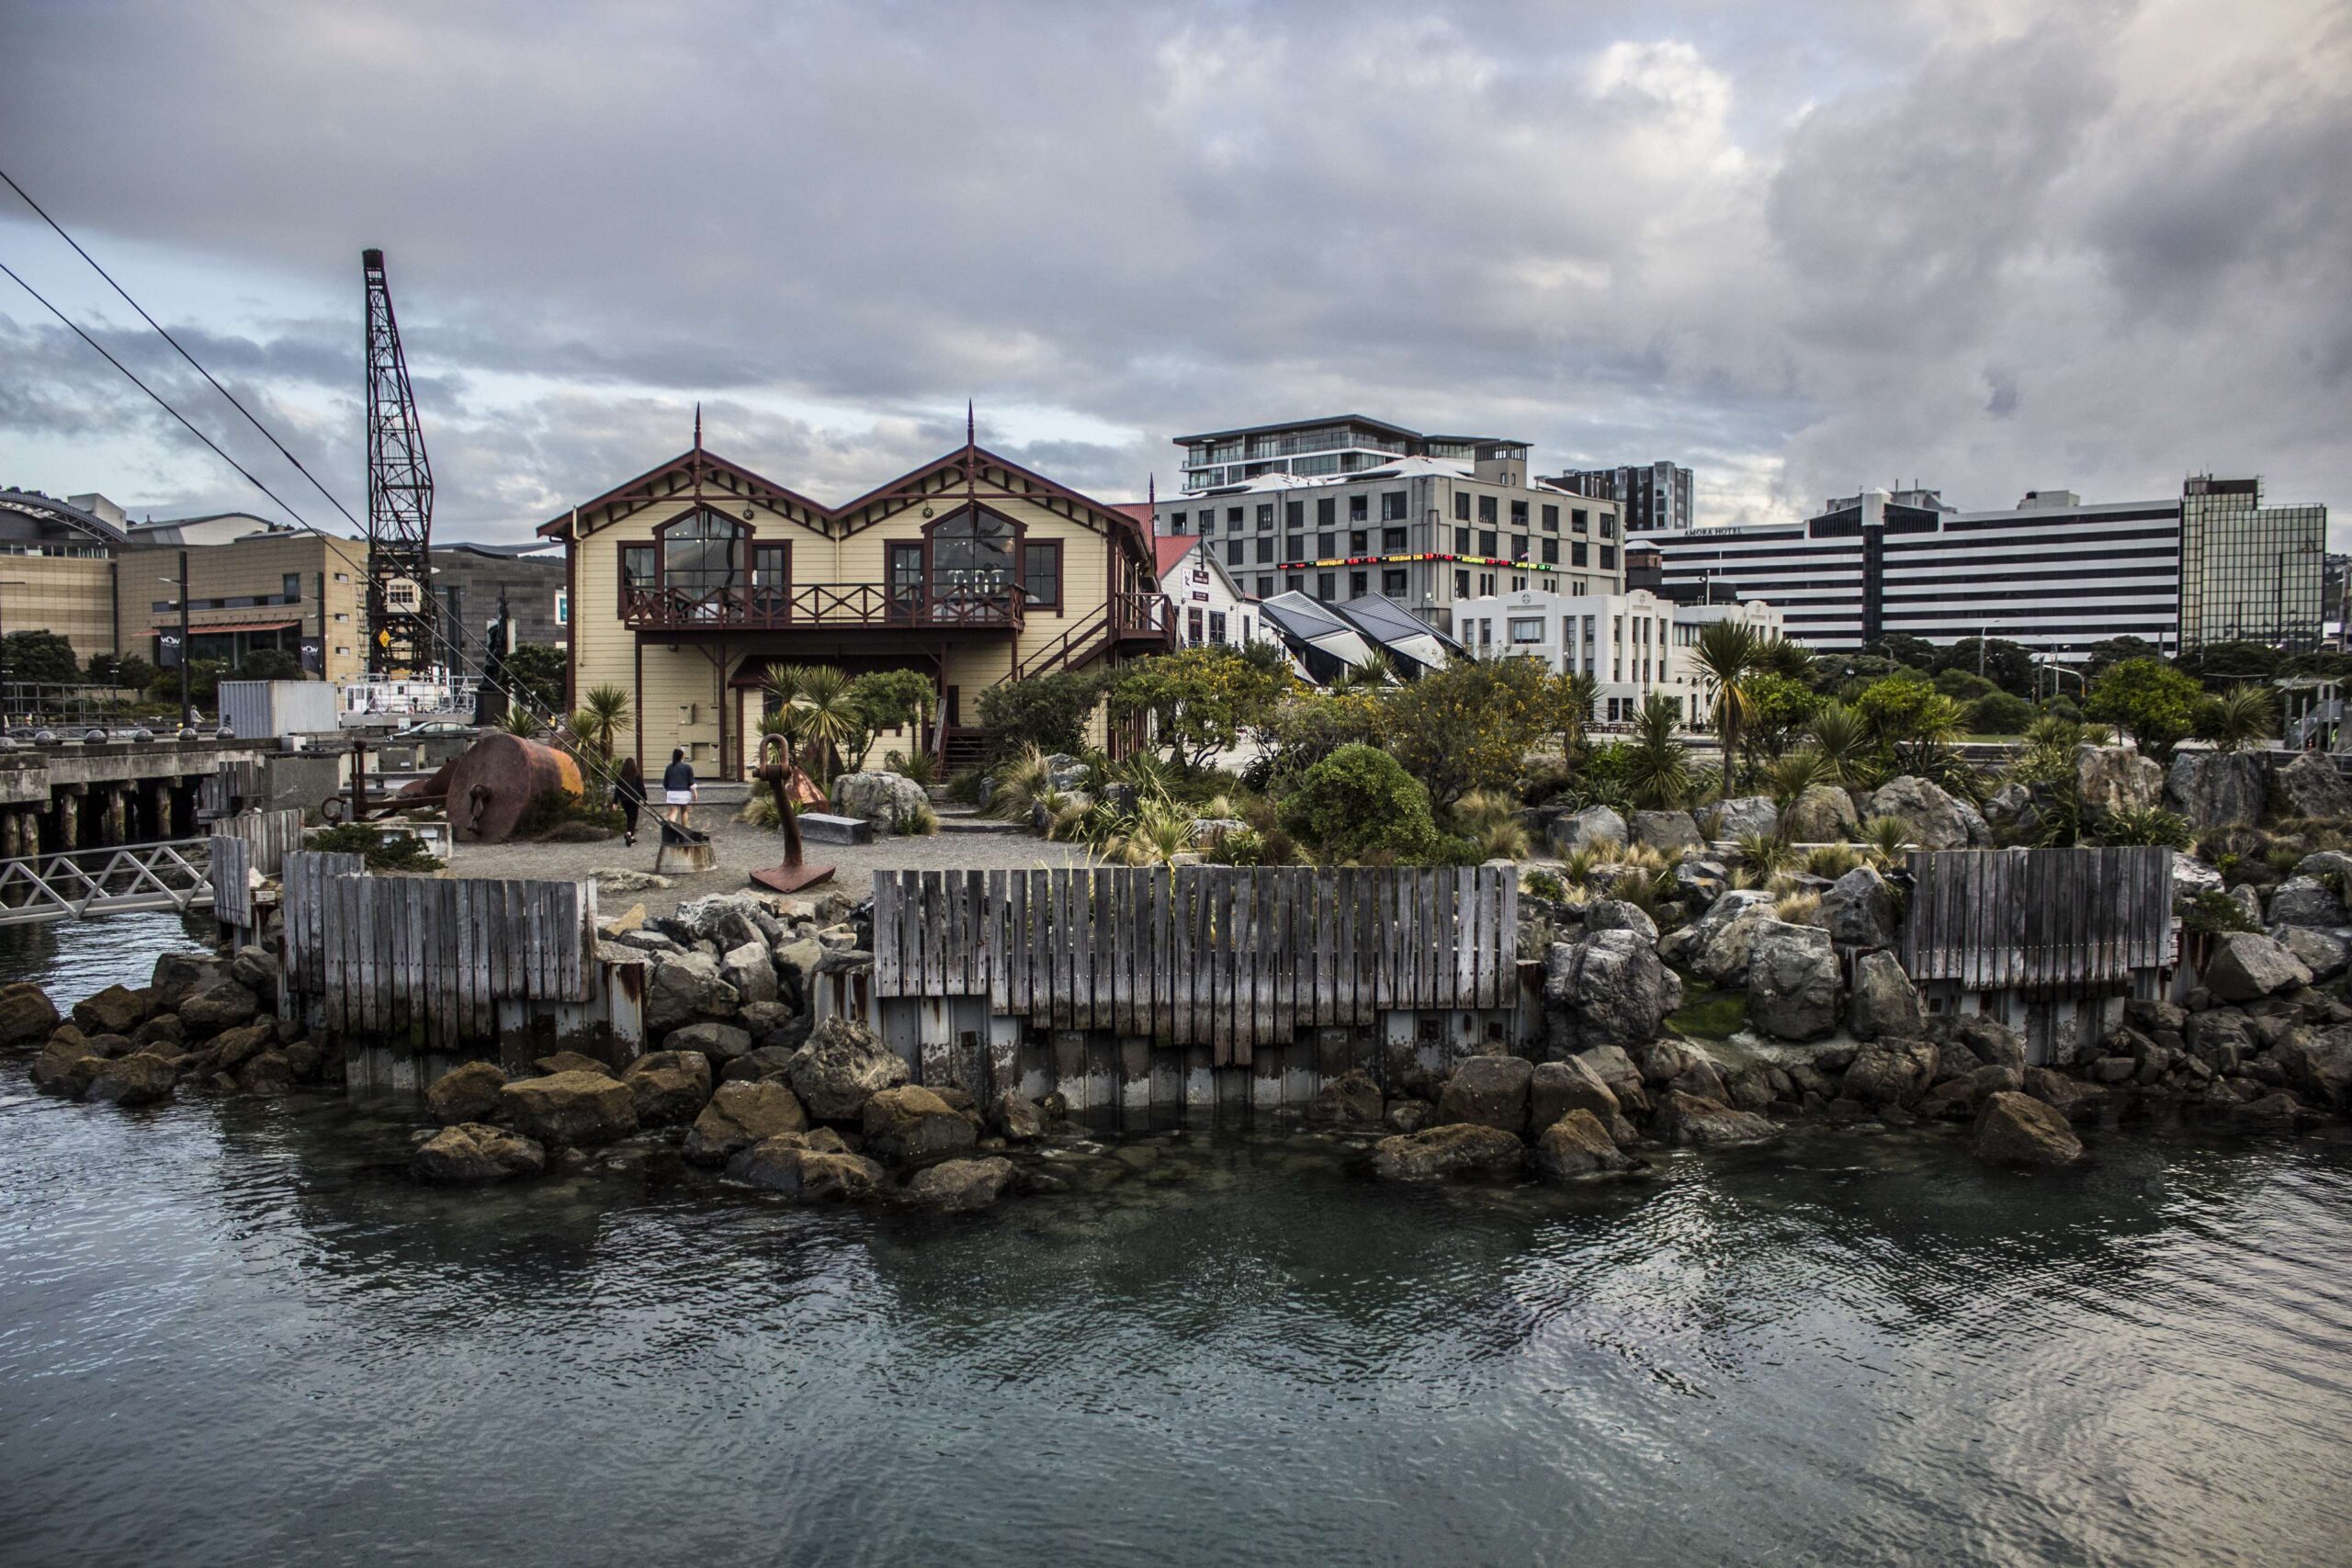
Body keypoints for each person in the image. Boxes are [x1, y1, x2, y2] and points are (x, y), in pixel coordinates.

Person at [610, 755, 647, 847]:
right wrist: (645, 798)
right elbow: (641, 788)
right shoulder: (637, 775)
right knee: (634, 818)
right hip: (634, 799)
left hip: (624, 799)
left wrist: (615, 802)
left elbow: (617, 790)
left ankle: (631, 837)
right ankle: (629, 834)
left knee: (629, 818)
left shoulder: (621, 776)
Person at [662, 747, 697, 830]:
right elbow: (691, 782)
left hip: (672, 792)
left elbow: (665, 783)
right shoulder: (687, 767)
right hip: (684, 792)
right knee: (684, 812)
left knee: (673, 812)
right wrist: (695, 793)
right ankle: (683, 831)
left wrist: (668, 790)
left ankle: (671, 831)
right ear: (682, 756)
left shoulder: (669, 767)